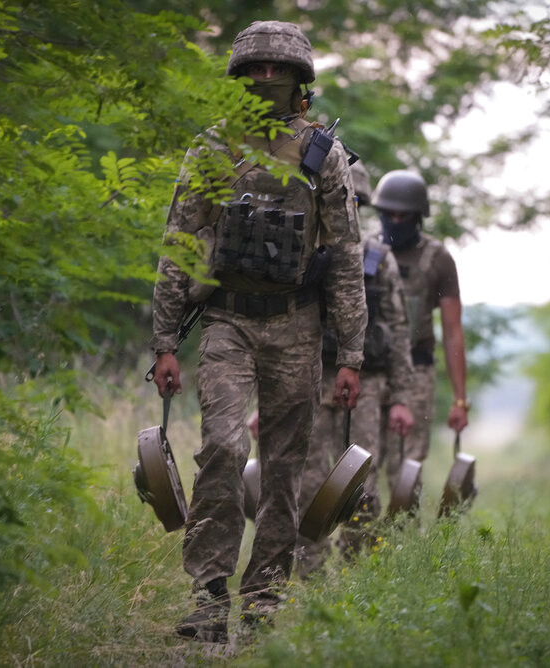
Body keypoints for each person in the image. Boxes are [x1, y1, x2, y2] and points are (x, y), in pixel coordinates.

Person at [149, 21, 367, 643]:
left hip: (298, 327)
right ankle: (210, 594)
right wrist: (164, 341)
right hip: (227, 322)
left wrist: (349, 353)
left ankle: (266, 596)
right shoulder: (213, 148)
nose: (268, 77)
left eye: (280, 68)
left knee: (285, 468)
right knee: (221, 446)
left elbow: (347, 258)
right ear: (241, 76)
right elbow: (180, 245)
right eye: (257, 67)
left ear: (300, 78)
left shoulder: (324, 155)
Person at [294, 161, 415, 575]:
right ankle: (307, 576)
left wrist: (400, 398)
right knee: (307, 483)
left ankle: (357, 576)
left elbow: (399, 332)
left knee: (361, 487)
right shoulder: (304, 251)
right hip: (312, 378)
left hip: (367, 386)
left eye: (355, 201)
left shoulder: (380, 259)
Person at [371, 170, 470, 491]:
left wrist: (459, 400)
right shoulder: (366, 251)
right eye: (389, 215)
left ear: (418, 217)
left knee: (407, 467)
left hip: (417, 370)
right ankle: (359, 539)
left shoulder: (438, 258)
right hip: (370, 369)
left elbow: (453, 331)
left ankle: (402, 538)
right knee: (362, 462)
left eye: (404, 216)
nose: (395, 221)